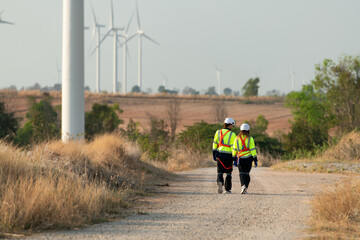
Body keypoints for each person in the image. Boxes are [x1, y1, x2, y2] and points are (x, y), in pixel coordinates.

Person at [212, 117, 237, 194]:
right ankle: (227, 189)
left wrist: (214, 153)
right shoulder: (233, 134)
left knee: (220, 172)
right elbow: (234, 147)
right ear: (230, 125)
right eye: (232, 125)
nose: (232, 127)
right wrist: (234, 157)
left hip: (220, 154)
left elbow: (215, 143)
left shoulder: (218, 132)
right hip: (229, 156)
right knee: (228, 173)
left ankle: (220, 182)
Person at [232, 123, 258, 194]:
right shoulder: (250, 138)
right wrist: (255, 159)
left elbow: (234, 149)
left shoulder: (236, 138)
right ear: (248, 130)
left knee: (241, 173)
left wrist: (233, 158)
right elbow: (253, 150)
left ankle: (243, 186)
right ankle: (245, 186)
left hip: (240, 158)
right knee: (247, 173)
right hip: (248, 158)